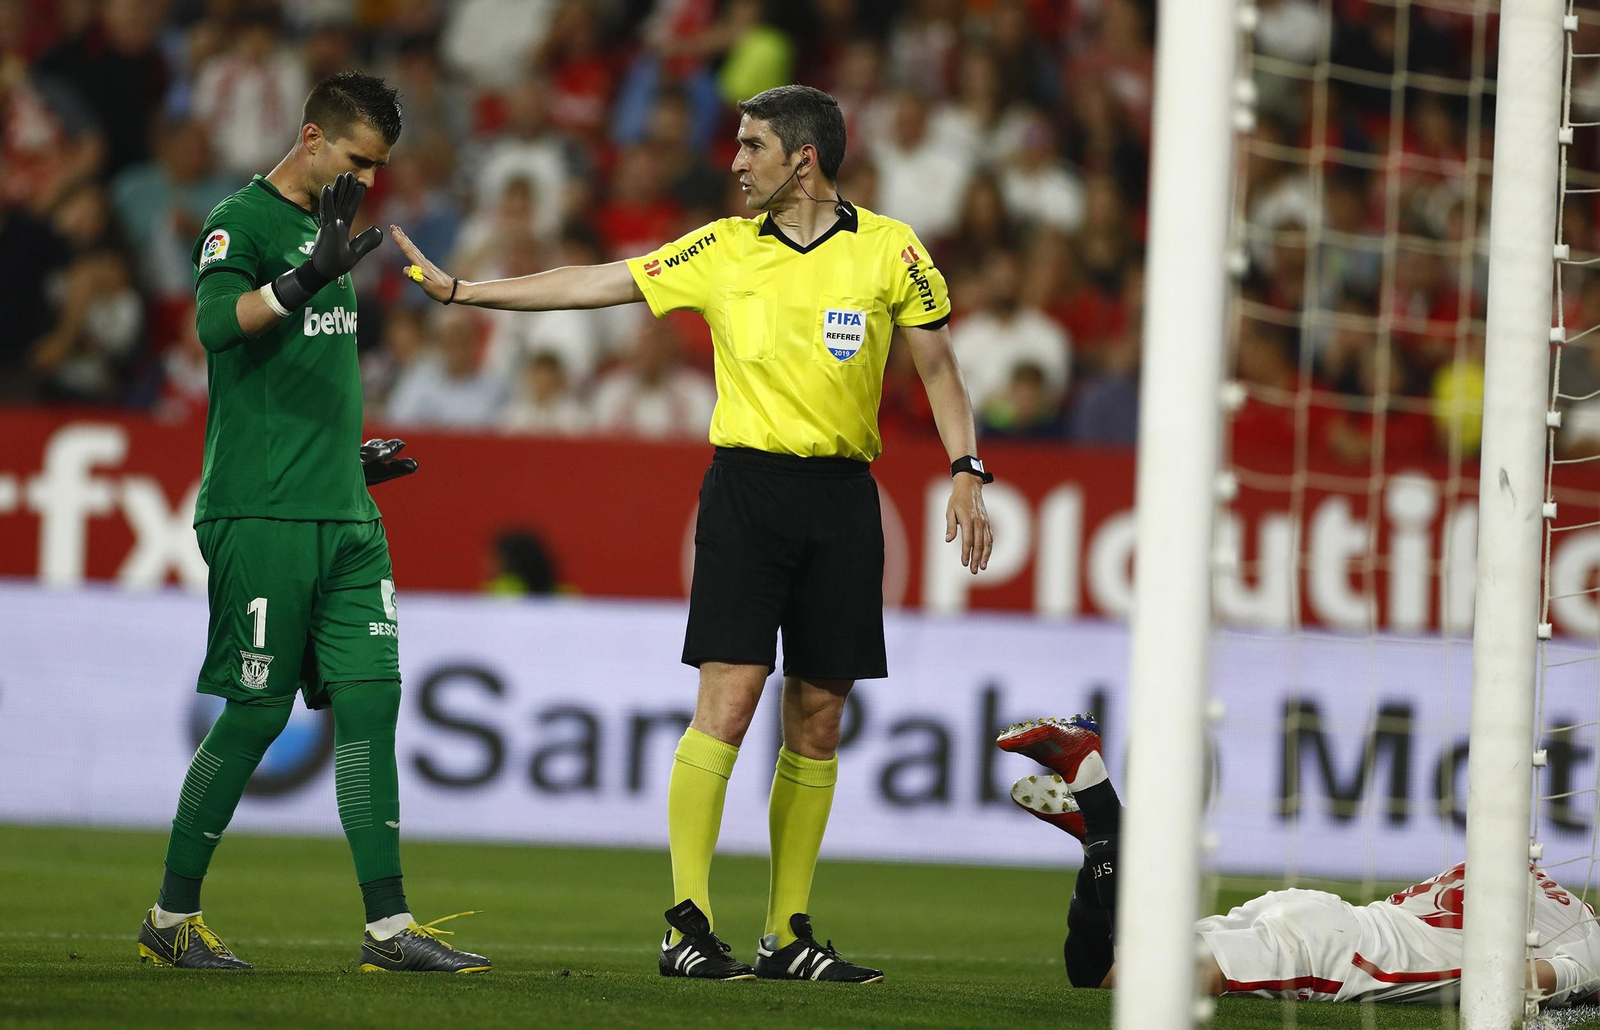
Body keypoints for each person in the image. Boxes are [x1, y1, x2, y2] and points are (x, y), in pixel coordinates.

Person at [394, 83, 993, 983]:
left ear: (804, 157)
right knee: (731, 695)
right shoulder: (720, 248)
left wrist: (965, 470)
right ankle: (687, 922)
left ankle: (788, 933)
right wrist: (463, 290)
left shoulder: (891, 251)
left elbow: (940, 369)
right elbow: (598, 281)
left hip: (842, 498)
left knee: (821, 715)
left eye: (752, 146)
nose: (736, 161)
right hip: (747, 490)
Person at [136, 71, 489, 976]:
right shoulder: (240, 222)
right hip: (260, 512)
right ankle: (171, 918)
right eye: (358, 160)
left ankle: (389, 931)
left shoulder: (329, 229)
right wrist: (303, 279)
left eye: (380, 167)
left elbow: (308, 373)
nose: (368, 180)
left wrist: (348, 461)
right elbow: (217, 327)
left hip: (343, 508)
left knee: (372, 702)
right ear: (311, 138)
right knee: (256, 712)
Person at [997, 716, 1600, 1007]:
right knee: (1142, 983)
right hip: (1340, 958)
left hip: (1323, 916)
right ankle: (1100, 807)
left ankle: (1099, 844)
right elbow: (1509, 986)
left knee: (1096, 973)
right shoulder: (1588, 947)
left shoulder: (1532, 878)